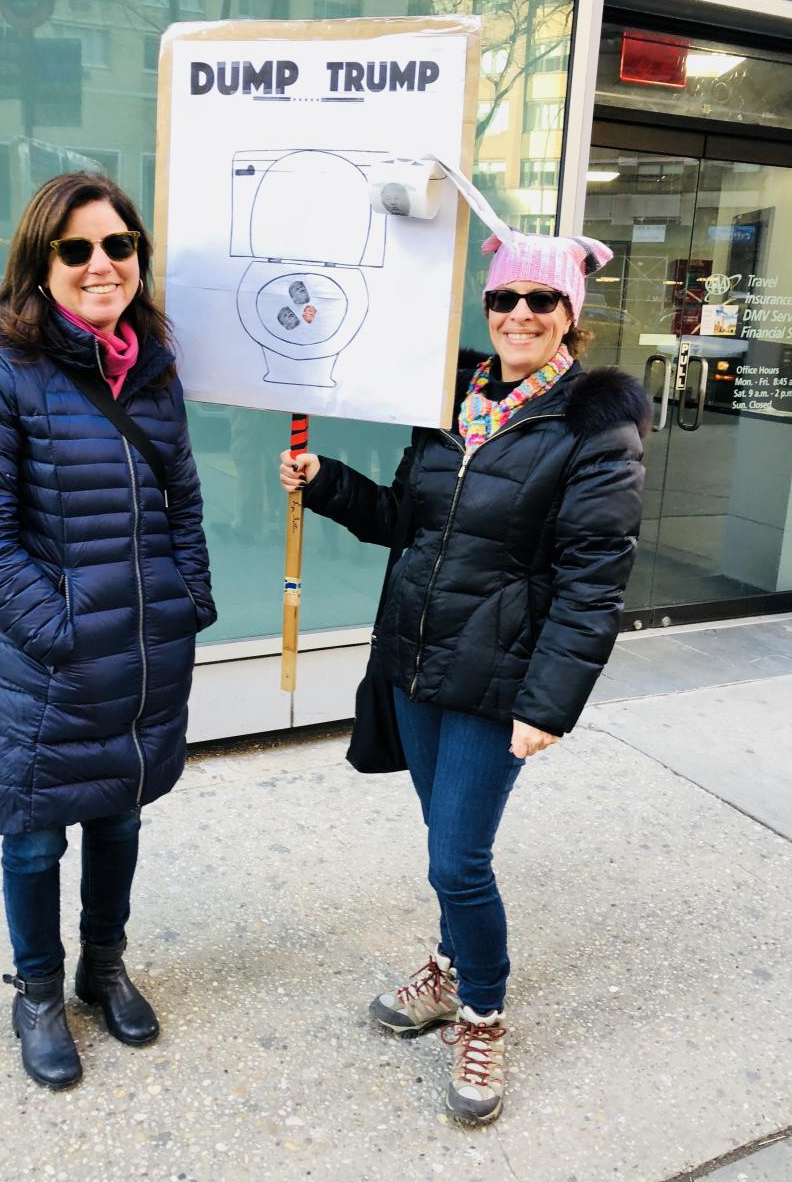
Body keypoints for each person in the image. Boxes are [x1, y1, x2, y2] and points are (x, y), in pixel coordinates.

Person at [279, 231, 650, 1125]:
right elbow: (403, 522)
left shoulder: (595, 428)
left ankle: (480, 1010)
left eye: (541, 300)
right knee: (444, 849)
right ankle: (448, 968)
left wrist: (549, 704)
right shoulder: (451, 397)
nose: (519, 314)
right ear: (485, 309)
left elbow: (594, 580)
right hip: (415, 660)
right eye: (504, 299)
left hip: (500, 680)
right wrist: (325, 480)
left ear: (571, 316)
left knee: (459, 860)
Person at [0, 173, 216, 1090]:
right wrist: (58, 628)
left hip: (139, 648)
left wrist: (190, 599)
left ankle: (103, 967)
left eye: (119, 244)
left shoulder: (155, 365)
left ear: (138, 256)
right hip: (48, 661)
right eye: (78, 248)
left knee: (121, 813)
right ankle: (40, 991)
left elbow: (182, 495)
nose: (103, 264)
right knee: (35, 834)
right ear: (41, 261)